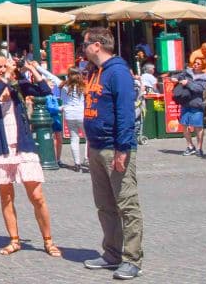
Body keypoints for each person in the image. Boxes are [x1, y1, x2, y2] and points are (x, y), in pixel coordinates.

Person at [0, 53, 60, 258]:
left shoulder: (17, 85)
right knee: (6, 197)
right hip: (1, 146)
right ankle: (14, 240)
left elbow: (45, 91)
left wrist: (31, 70)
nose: (3, 69)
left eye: (4, 65)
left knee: (37, 196)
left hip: (23, 145)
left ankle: (48, 240)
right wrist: (6, 77)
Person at [82, 27, 144, 280]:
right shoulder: (95, 71)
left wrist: (123, 148)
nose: (83, 48)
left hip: (114, 148)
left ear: (97, 45)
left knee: (126, 204)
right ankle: (112, 253)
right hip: (96, 146)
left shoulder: (117, 72)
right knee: (104, 205)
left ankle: (132, 259)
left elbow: (125, 113)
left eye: (85, 44)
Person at [171, 57, 206, 157]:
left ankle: (199, 148)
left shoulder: (205, 78)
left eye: (198, 63)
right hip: (185, 103)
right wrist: (174, 79)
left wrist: (188, 83)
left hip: (197, 104)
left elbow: (199, 89)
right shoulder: (187, 72)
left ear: (203, 66)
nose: (195, 65)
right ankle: (190, 146)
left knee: (198, 127)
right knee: (184, 125)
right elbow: (177, 76)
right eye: (195, 63)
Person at [61, 67, 87, 171]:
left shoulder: (65, 86)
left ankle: (77, 163)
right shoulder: (82, 86)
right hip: (81, 114)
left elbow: (51, 76)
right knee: (88, 138)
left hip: (69, 114)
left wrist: (37, 67)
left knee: (74, 138)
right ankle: (87, 158)